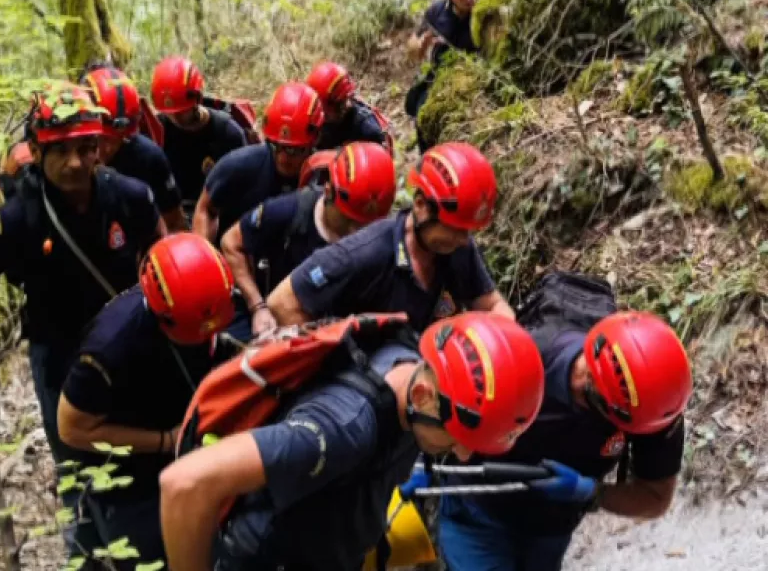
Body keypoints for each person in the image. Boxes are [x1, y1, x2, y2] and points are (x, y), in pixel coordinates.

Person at [159, 311, 546, 571]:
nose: (463, 455)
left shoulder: (407, 361)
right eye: (458, 438)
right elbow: (185, 483)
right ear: (422, 396)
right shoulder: (342, 430)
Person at [0, 83, 164, 555]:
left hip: (131, 348)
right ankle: (86, 553)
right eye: (61, 151)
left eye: (86, 148)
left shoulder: (131, 198)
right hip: (59, 357)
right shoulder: (13, 222)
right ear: (35, 151)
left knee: (137, 452)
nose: (76, 162)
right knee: (75, 466)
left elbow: (165, 255)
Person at [435, 310, 693, 571]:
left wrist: (592, 493)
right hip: (478, 514)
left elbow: (655, 497)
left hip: (551, 529)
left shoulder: (655, 406)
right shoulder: (519, 362)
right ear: (594, 392)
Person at [56, 233, 236, 569]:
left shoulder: (207, 300)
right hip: (126, 474)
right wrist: (166, 440)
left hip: (174, 441)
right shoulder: (112, 346)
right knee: (147, 556)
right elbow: (70, 428)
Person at [267, 142, 515, 332]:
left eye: (468, 230)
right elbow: (283, 302)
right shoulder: (364, 253)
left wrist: (498, 334)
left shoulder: (459, 249)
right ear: (420, 206)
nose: (464, 239)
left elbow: (493, 305)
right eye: (455, 228)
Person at [221, 141, 397, 338]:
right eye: (349, 220)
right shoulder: (286, 211)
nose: (356, 231)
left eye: (367, 225)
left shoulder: (384, 238)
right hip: (274, 320)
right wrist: (257, 306)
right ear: (328, 192)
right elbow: (231, 243)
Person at [193, 81, 325, 246]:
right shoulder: (239, 166)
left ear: (315, 140)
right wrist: (205, 252)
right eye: (277, 147)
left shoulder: (325, 179)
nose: (283, 158)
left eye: (294, 150)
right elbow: (206, 208)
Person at [81, 66, 186, 232]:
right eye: (99, 139)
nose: (106, 148)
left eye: (117, 139)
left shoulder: (148, 158)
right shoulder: (61, 163)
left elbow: (174, 222)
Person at [150, 55, 247, 220]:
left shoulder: (227, 134)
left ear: (198, 100)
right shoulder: (157, 130)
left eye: (181, 111)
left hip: (216, 215)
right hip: (172, 216)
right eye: (170, 113)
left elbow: (244, 186)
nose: (176, 118)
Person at [406, 0, 481, 154]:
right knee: (421, 111)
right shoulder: (436, 12)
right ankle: (427, 157)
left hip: (472, 75)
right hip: (439, 75)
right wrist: (421, 45)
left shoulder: (482, 13)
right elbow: (413, 49)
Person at [306, 61, 389, 151]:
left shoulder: (367, 130)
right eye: (341, 103)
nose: (347, 105)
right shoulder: (315, 122)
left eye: (346, 99)